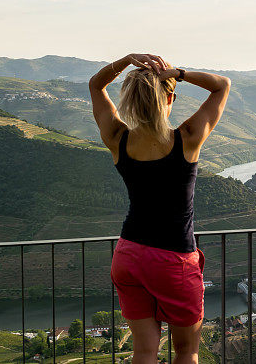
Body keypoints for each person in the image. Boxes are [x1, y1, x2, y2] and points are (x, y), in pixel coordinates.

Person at [88, 53, 230, 364]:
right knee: (186, 351)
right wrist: (177, 72)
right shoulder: (187, 138)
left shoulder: (117, 138)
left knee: (143, 352)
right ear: (169, 97)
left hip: (128, 256)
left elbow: (96, 86)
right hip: (173, 261)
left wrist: (125, 61)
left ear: (131, 100)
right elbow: (222, 86)